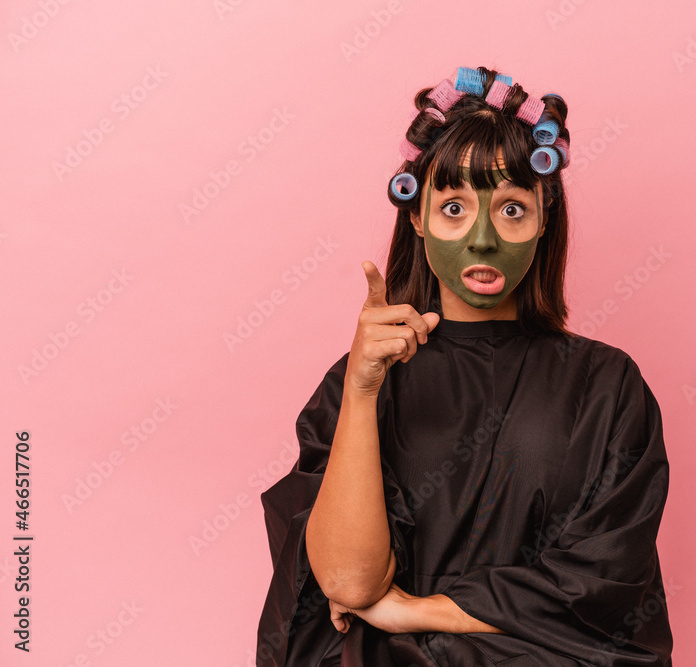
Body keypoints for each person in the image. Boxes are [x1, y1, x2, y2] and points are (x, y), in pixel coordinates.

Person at [256, 65, 673, 666]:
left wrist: (420, 610)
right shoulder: (362, 384)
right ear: (417, 217)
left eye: (510, 209)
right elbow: (347, 587)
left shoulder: (606, 387)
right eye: (453, 207)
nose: (481, 239)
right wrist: (363, 388)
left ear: (543, 217)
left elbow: (601, 583)